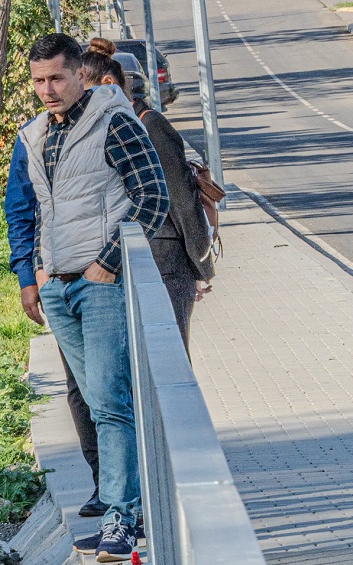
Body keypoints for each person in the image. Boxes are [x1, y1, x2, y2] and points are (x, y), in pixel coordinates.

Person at [5, 33, 169, 562]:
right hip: (59, 285)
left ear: (80, 74)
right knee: (98, 405)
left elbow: (153, 197)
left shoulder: (113, 122)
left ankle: (125, 519)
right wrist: (35, 275)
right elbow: (27, 211)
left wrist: (107, 264)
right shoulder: (31, 136)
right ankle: (121, 511)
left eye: (56, 78)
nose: (47, 90)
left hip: (101, 285)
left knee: (111, 403)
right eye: (37, 80)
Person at [83, 38, 215, 355]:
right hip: (124, 267)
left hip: (167, 267)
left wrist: (201, 266)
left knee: (170, 363)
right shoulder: (103, 129)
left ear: (109, 84)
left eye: (82, 94)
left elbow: (183, 202)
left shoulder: (151, 126)